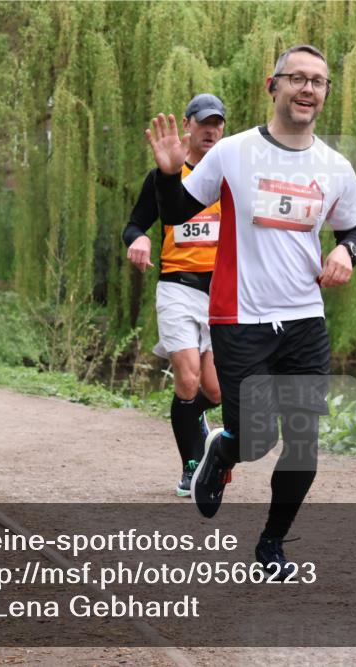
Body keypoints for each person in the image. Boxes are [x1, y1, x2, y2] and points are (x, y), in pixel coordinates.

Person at [146, 45, 356, 575]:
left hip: (304, 320)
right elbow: (177, 212)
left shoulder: (335, 167)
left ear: (325, 93)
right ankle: (224, 450)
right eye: (297, 78)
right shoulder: (234, 152)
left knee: (303, 443)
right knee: (254, 438)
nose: (307, 88)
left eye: (318, 81)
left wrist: (346, 251)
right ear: (273, 86)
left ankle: (272, 546)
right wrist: (168, 174)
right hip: (239, 318)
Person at [124, 93, 226, 497]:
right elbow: (135, 224)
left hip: (221, 293)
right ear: (187, 125)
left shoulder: (231, 178)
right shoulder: (165, 175)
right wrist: (140, 240)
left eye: (217, 124)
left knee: (215, 390)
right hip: (177, 287)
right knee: (187, 379)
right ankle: (191, 466)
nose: (210, 131)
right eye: (203, 123)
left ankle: (192, 418)